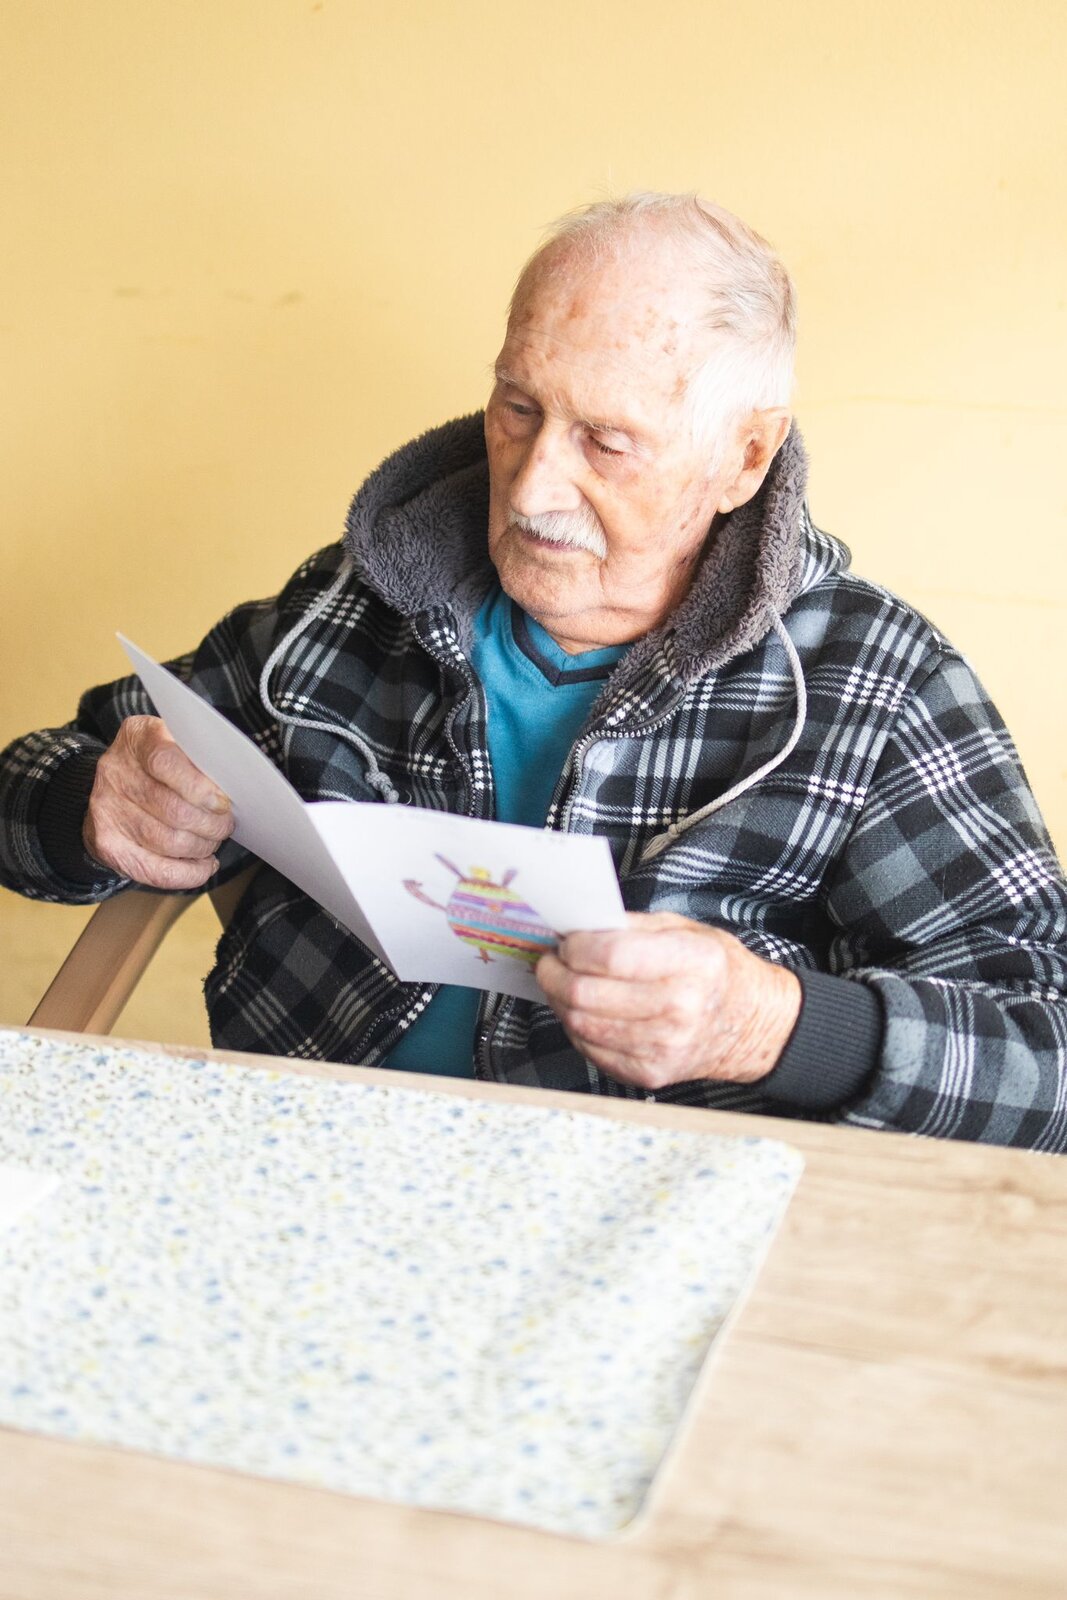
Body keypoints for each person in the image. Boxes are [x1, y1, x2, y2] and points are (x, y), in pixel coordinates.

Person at [3, 192, 1066, 1149]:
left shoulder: (873, 682)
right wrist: (92, 805)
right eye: (518, 409)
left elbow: (1044, 1057)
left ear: (744, 457)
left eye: (606, 440)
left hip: (658, 1213)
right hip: (307, 1156)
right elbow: (26, 790)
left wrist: (774, 1027)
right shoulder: (357, 597)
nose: (529, 485)